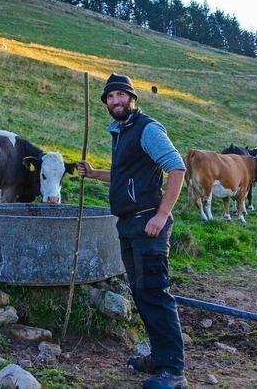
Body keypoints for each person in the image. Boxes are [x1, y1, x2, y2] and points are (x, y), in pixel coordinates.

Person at [77, 73, 188, 389]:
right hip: (128, 223)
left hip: (148, 224)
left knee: (154, 292)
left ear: (132, 98)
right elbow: (126, 175)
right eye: (110, 97)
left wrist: (161, 214)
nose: (115, 101)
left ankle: (173, 373)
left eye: (120, 95)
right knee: (141, 293)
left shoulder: (147, 129)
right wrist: (93, 173)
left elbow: (177, 168)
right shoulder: (122, 132)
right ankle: (159, 359)